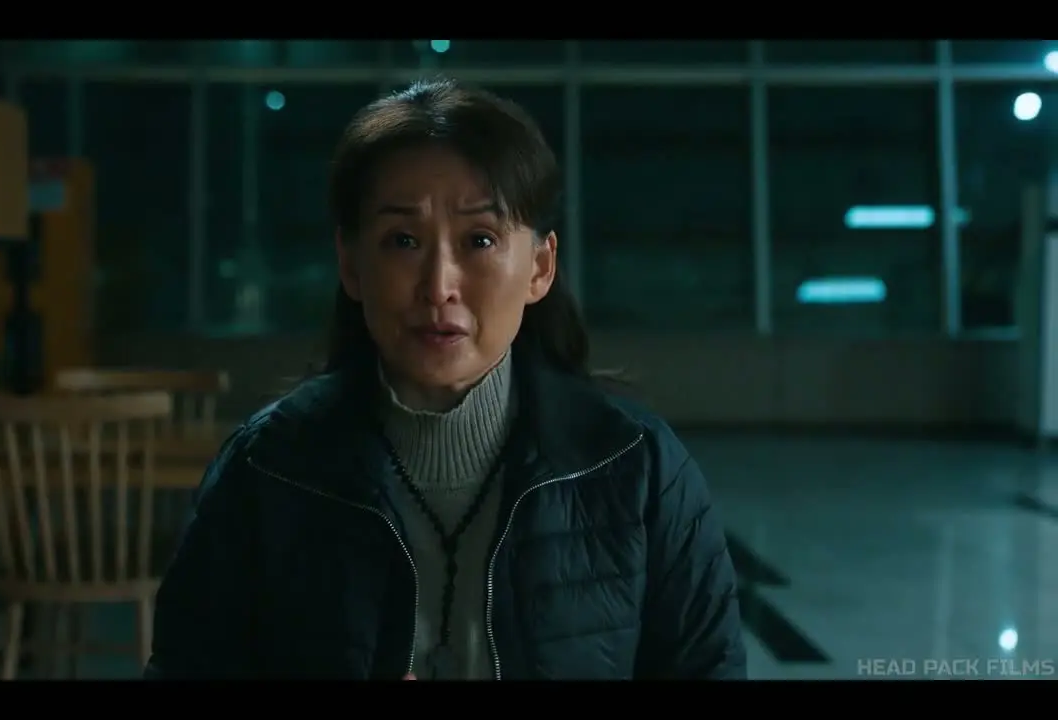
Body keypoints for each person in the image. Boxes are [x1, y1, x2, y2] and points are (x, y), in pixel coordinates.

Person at [145, 77, 747, 680]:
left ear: (540, 267)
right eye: (402, 241)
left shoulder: (636, 468)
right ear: (351, 264)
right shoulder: (268, 468)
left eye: (479, 239)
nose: (438, 287)